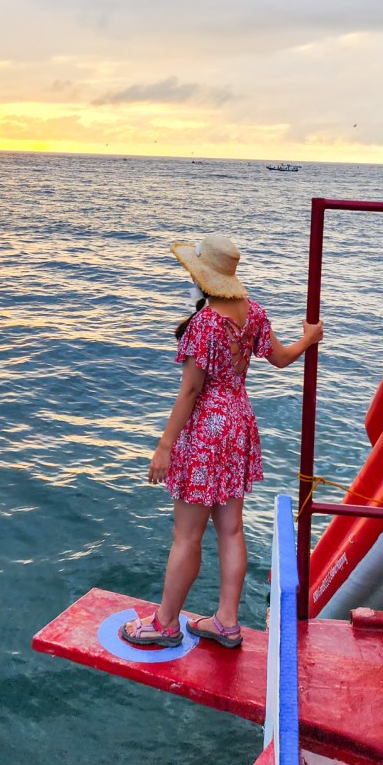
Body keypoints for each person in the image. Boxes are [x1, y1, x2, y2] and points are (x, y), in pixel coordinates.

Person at [120, 233, 323, 650]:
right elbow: (282, 358)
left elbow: (191, 392)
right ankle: (226, 621)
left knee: (187, 536)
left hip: (207, 431)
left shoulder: (205, 323)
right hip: (238, 423)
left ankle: (165, 623)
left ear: (203, 278)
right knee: (230, 530)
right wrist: (309, 338)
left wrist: (164, 446)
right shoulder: (253, 312)